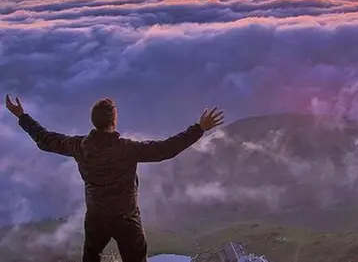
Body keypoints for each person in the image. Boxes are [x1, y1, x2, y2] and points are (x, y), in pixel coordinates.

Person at [4, 94, 225, 262]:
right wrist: (199, 129)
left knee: (91, 256)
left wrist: (22, 116)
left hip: (96, 215)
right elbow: (165, 149)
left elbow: (45, 139)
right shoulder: (127, 149)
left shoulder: (79, 146)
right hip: (126, 218)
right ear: (114, 120)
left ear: (94, 121)